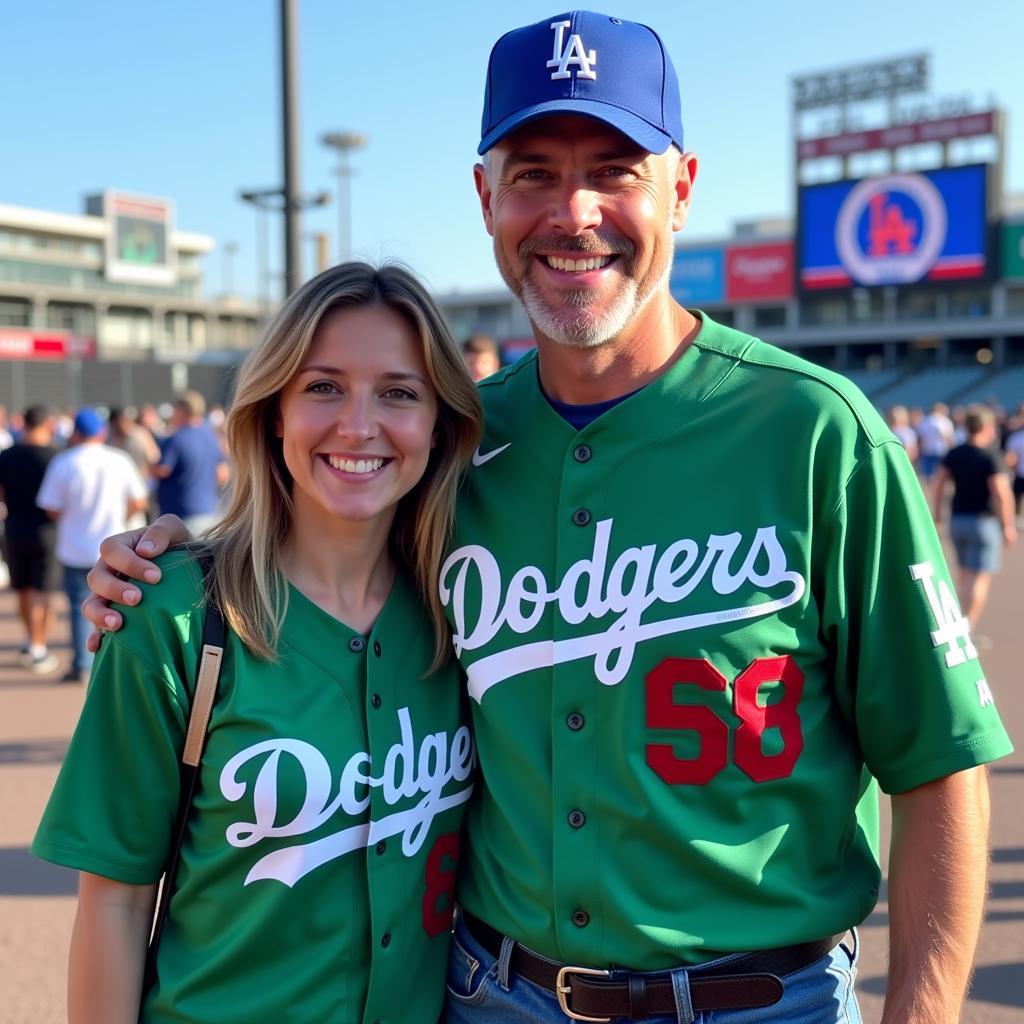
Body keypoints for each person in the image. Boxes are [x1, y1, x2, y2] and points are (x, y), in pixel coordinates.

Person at [82, 12, 1012, 1024]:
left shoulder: (813, 431)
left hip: (759, 1001)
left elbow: (940, 768)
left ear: (681, 186)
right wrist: (178, 555)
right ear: (485, 195)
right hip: (493, 996)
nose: (574, 212)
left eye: (614, 168)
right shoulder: (453, 444)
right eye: (532, 173)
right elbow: (323, 530)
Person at [33, 263, 484, 1023]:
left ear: (439, 422)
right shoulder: (172, 614)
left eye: (399, 392)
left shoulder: (469, 609)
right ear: (274, 410)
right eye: (323, 386)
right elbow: (113, 903)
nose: (359, 424)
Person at [35, 407, 148, 683]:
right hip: (114, 547)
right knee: (120, 606)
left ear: (75, 432)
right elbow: (139, 500)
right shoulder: (118, 460)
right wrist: (121, 516)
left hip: (75, 545)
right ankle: (120, 666)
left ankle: (82, 664)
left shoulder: (64, 462)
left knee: (77, 606)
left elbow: (50, 507)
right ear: (101, 432)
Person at [931, 406, 1017, 629]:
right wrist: (1008, 525)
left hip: (958, 520)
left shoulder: (955, 452)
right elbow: (1001, 492)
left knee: (964, 575)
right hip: (983, 522)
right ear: (988, 427)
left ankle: (960, 620)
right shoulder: (990, 455)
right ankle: (965, 629)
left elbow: (938, 482)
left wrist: (938, 511)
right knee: (978, 578)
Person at [0, 404, 61, 673]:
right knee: (42, 591)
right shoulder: (56, 457)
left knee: (23, 588)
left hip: (14, 528)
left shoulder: (7, 455)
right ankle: (38, 645)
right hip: (47, 531)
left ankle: (31, 639)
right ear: (48, 423)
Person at [151, 390, 229, 533]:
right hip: (209, 513)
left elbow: (163, 470)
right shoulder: (212, 437)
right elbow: (222, 475)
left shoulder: (176, 438)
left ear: (181, 411)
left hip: (179, 517)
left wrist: (149, 465)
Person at [916, 401, 955, 481]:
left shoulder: (925, 421)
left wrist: (920, 450)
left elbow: (920, 438)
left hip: (927, 450)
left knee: (928, 475)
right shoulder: (945, 421)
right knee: (940, 475)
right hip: (941, 451)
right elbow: (948, 438)